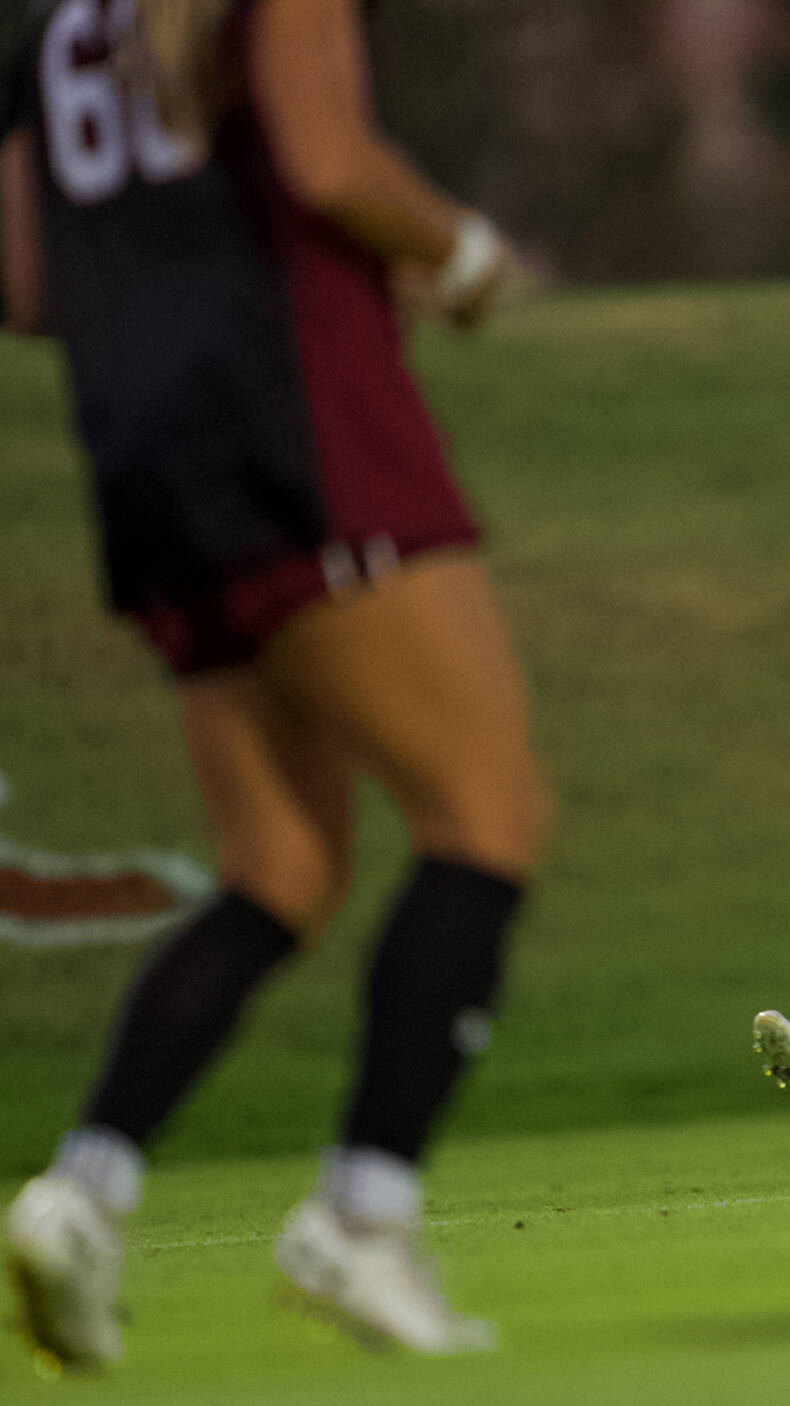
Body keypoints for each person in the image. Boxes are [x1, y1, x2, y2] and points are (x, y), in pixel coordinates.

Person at [2, 0, 544, 1365]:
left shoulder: (60, 31)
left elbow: (25, 282)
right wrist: (464, 254)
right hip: (303, 437)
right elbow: (331, 166)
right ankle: (362, 1219)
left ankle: (84, 1190)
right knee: (485, 817)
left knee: (282, 868)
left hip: (151, 466)